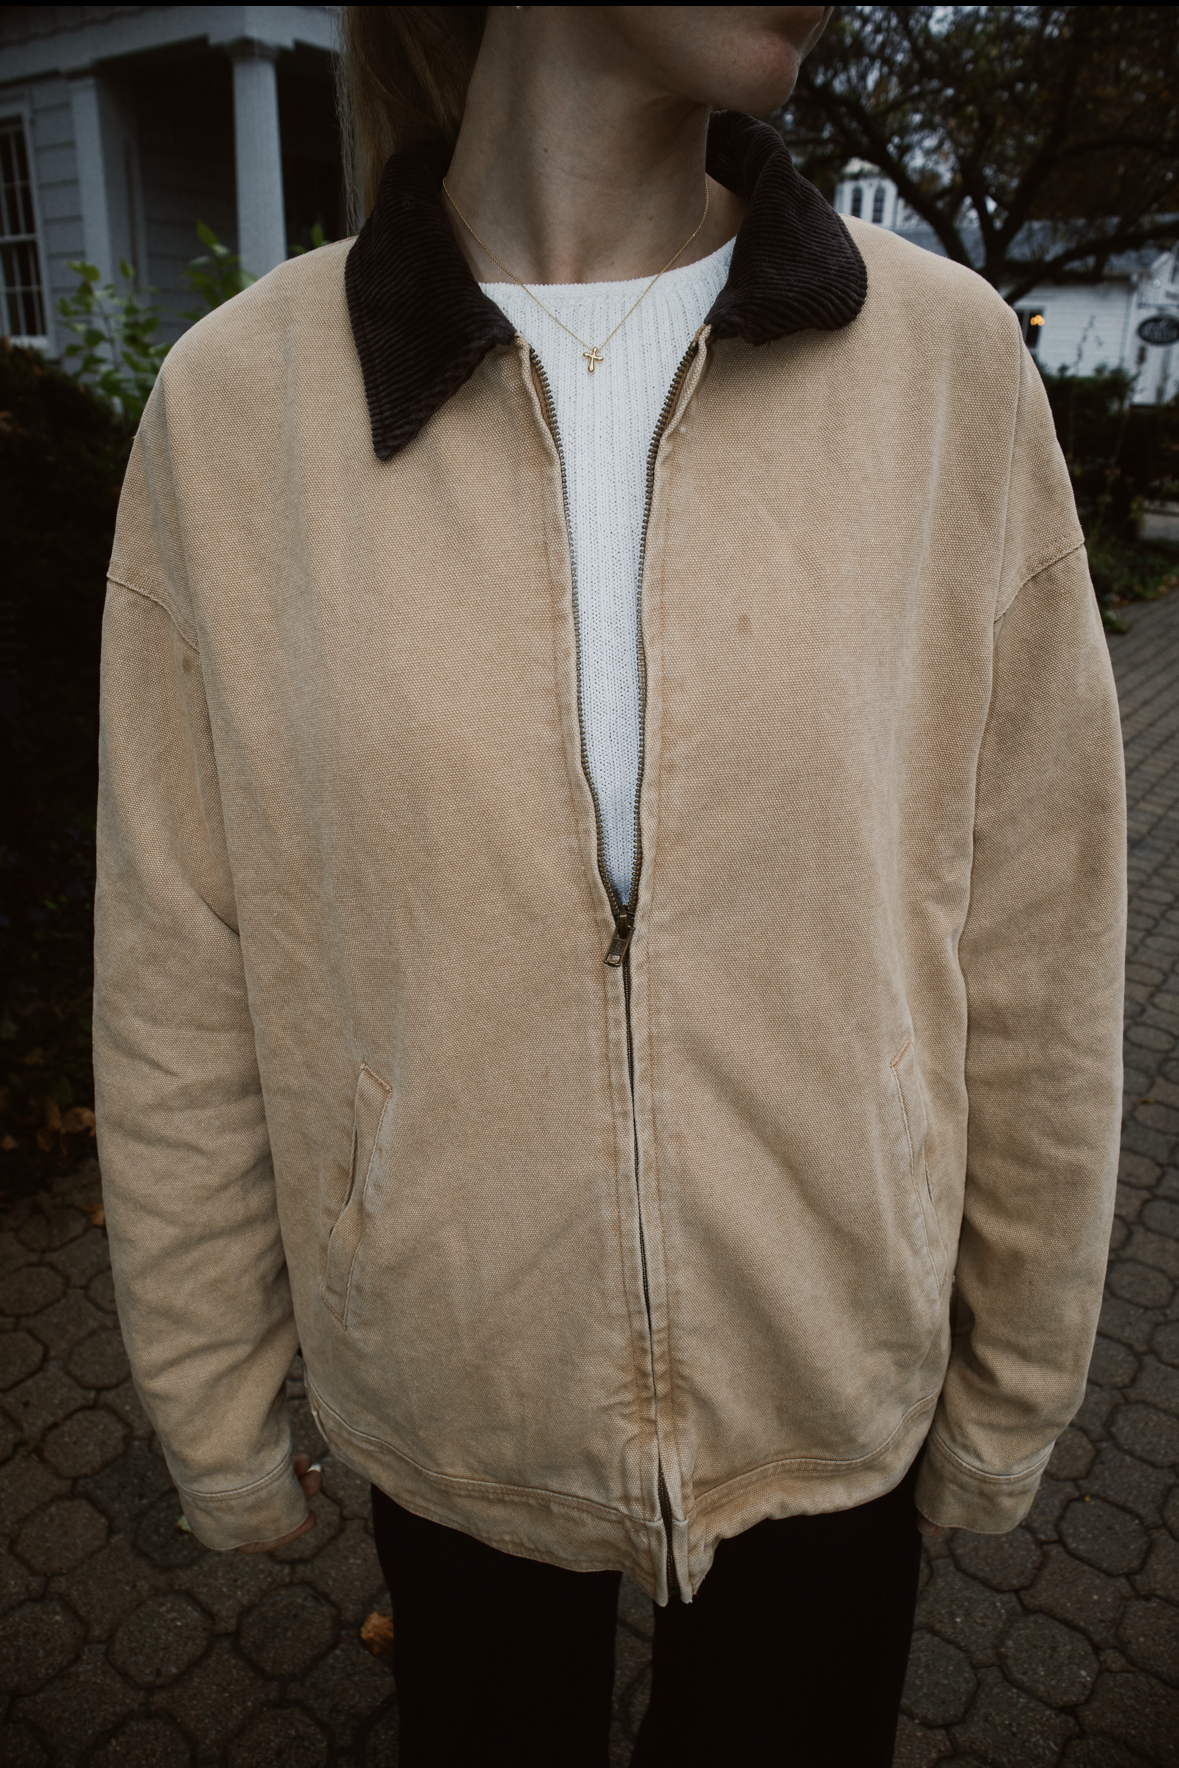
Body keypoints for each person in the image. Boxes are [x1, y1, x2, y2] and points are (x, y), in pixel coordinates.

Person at [93, 5, 1126, 1763]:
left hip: (827, 1376)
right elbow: (180, 959)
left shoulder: (942, 369)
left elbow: (1038, 922)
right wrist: (211, 1393)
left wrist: (1015, 1366)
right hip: (457, 1392)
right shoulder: (242, 410)